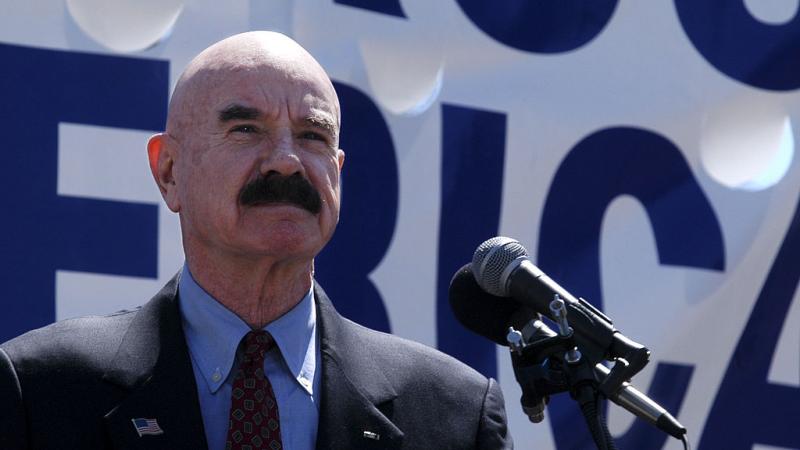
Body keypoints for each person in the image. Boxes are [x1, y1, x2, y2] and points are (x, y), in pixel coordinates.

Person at [0, 31, 512, 450]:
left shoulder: (455, 414)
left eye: (313, 136)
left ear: (337, 173)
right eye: (246, 128)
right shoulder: (39, 391)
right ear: (170, 171)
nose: (286, 161)